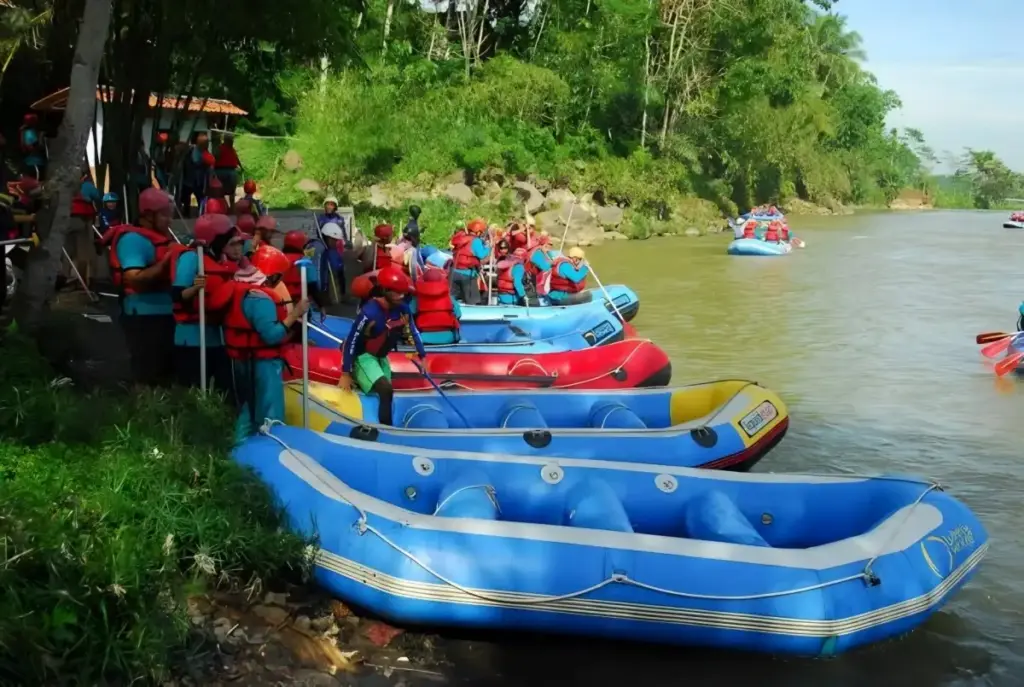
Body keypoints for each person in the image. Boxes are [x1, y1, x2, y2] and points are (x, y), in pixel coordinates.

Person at [219, 244, 309, 441]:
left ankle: (240, 451)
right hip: (262, 364)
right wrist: (294, 315)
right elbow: (271, 335)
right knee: (270, 413)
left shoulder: (240, 288)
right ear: (273, 275)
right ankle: (270, 449)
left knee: (247, 409)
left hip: (244, 359)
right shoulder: (260, 298)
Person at [100, 188, 184, 386]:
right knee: (148, 373)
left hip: (167, 312)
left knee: (168, 373)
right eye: (164, 215)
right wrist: (167, 261)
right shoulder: (132, 240)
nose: (169, 220)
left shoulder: (162, 238)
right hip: (143, 315)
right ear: (148, 216)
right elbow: (134, 278)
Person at [338, 266, 425, 426]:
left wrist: (420, 355)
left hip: (381, 357)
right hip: (363, 357)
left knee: (387, 392)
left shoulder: (403, 309)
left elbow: (412, 332)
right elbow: (351, 340)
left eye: (403, 293)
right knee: (385, 390)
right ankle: (388, 431)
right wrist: (346, 372)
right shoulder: (369, 312)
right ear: (384, 290)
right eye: (397, 293)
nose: (401, 296)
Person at [170, 213, 239, 392]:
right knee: (193, 388)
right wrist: (194, 288)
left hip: (216, 337)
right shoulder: (192, 258)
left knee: (223, 388)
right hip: (192, 338)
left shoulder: (220, 261)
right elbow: (177, 295)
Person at [282, 229, 327, 318]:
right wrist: (321, 306)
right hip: (300, 306)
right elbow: (313, 286)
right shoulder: (305, 262)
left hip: (282, 305)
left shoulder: (279, 259)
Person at [410, 267, 461, 345]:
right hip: (448, 338)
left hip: (423, 338)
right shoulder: (450, 298)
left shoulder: (416, 299)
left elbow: (410, 313)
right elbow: (458, 314)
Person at [449, 218, 490, 305]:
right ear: (478, 232)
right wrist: (488, 247)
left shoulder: (461, 238)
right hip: (467, 274)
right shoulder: (476, 241)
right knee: (472, 301)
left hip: (454, 272)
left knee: (451, 299)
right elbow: (481, 254)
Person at [213, 133, 242, 208]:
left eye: (232, 140)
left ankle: (232, 207)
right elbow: (215, 157)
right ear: (226, 140)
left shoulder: (232, 149)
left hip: (231, 171)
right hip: (221, 171)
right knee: (221, 191)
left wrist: (241, 166)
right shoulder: (220, 148)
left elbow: (236, 158)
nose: (232, 141)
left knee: (232, 190)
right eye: (230, 140)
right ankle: (223, 207)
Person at [19, 113, 46, 179]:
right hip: (34, 162)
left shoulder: (26, 131)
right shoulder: (29, 133)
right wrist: (41, 138)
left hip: (33, 162)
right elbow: (31, 147)